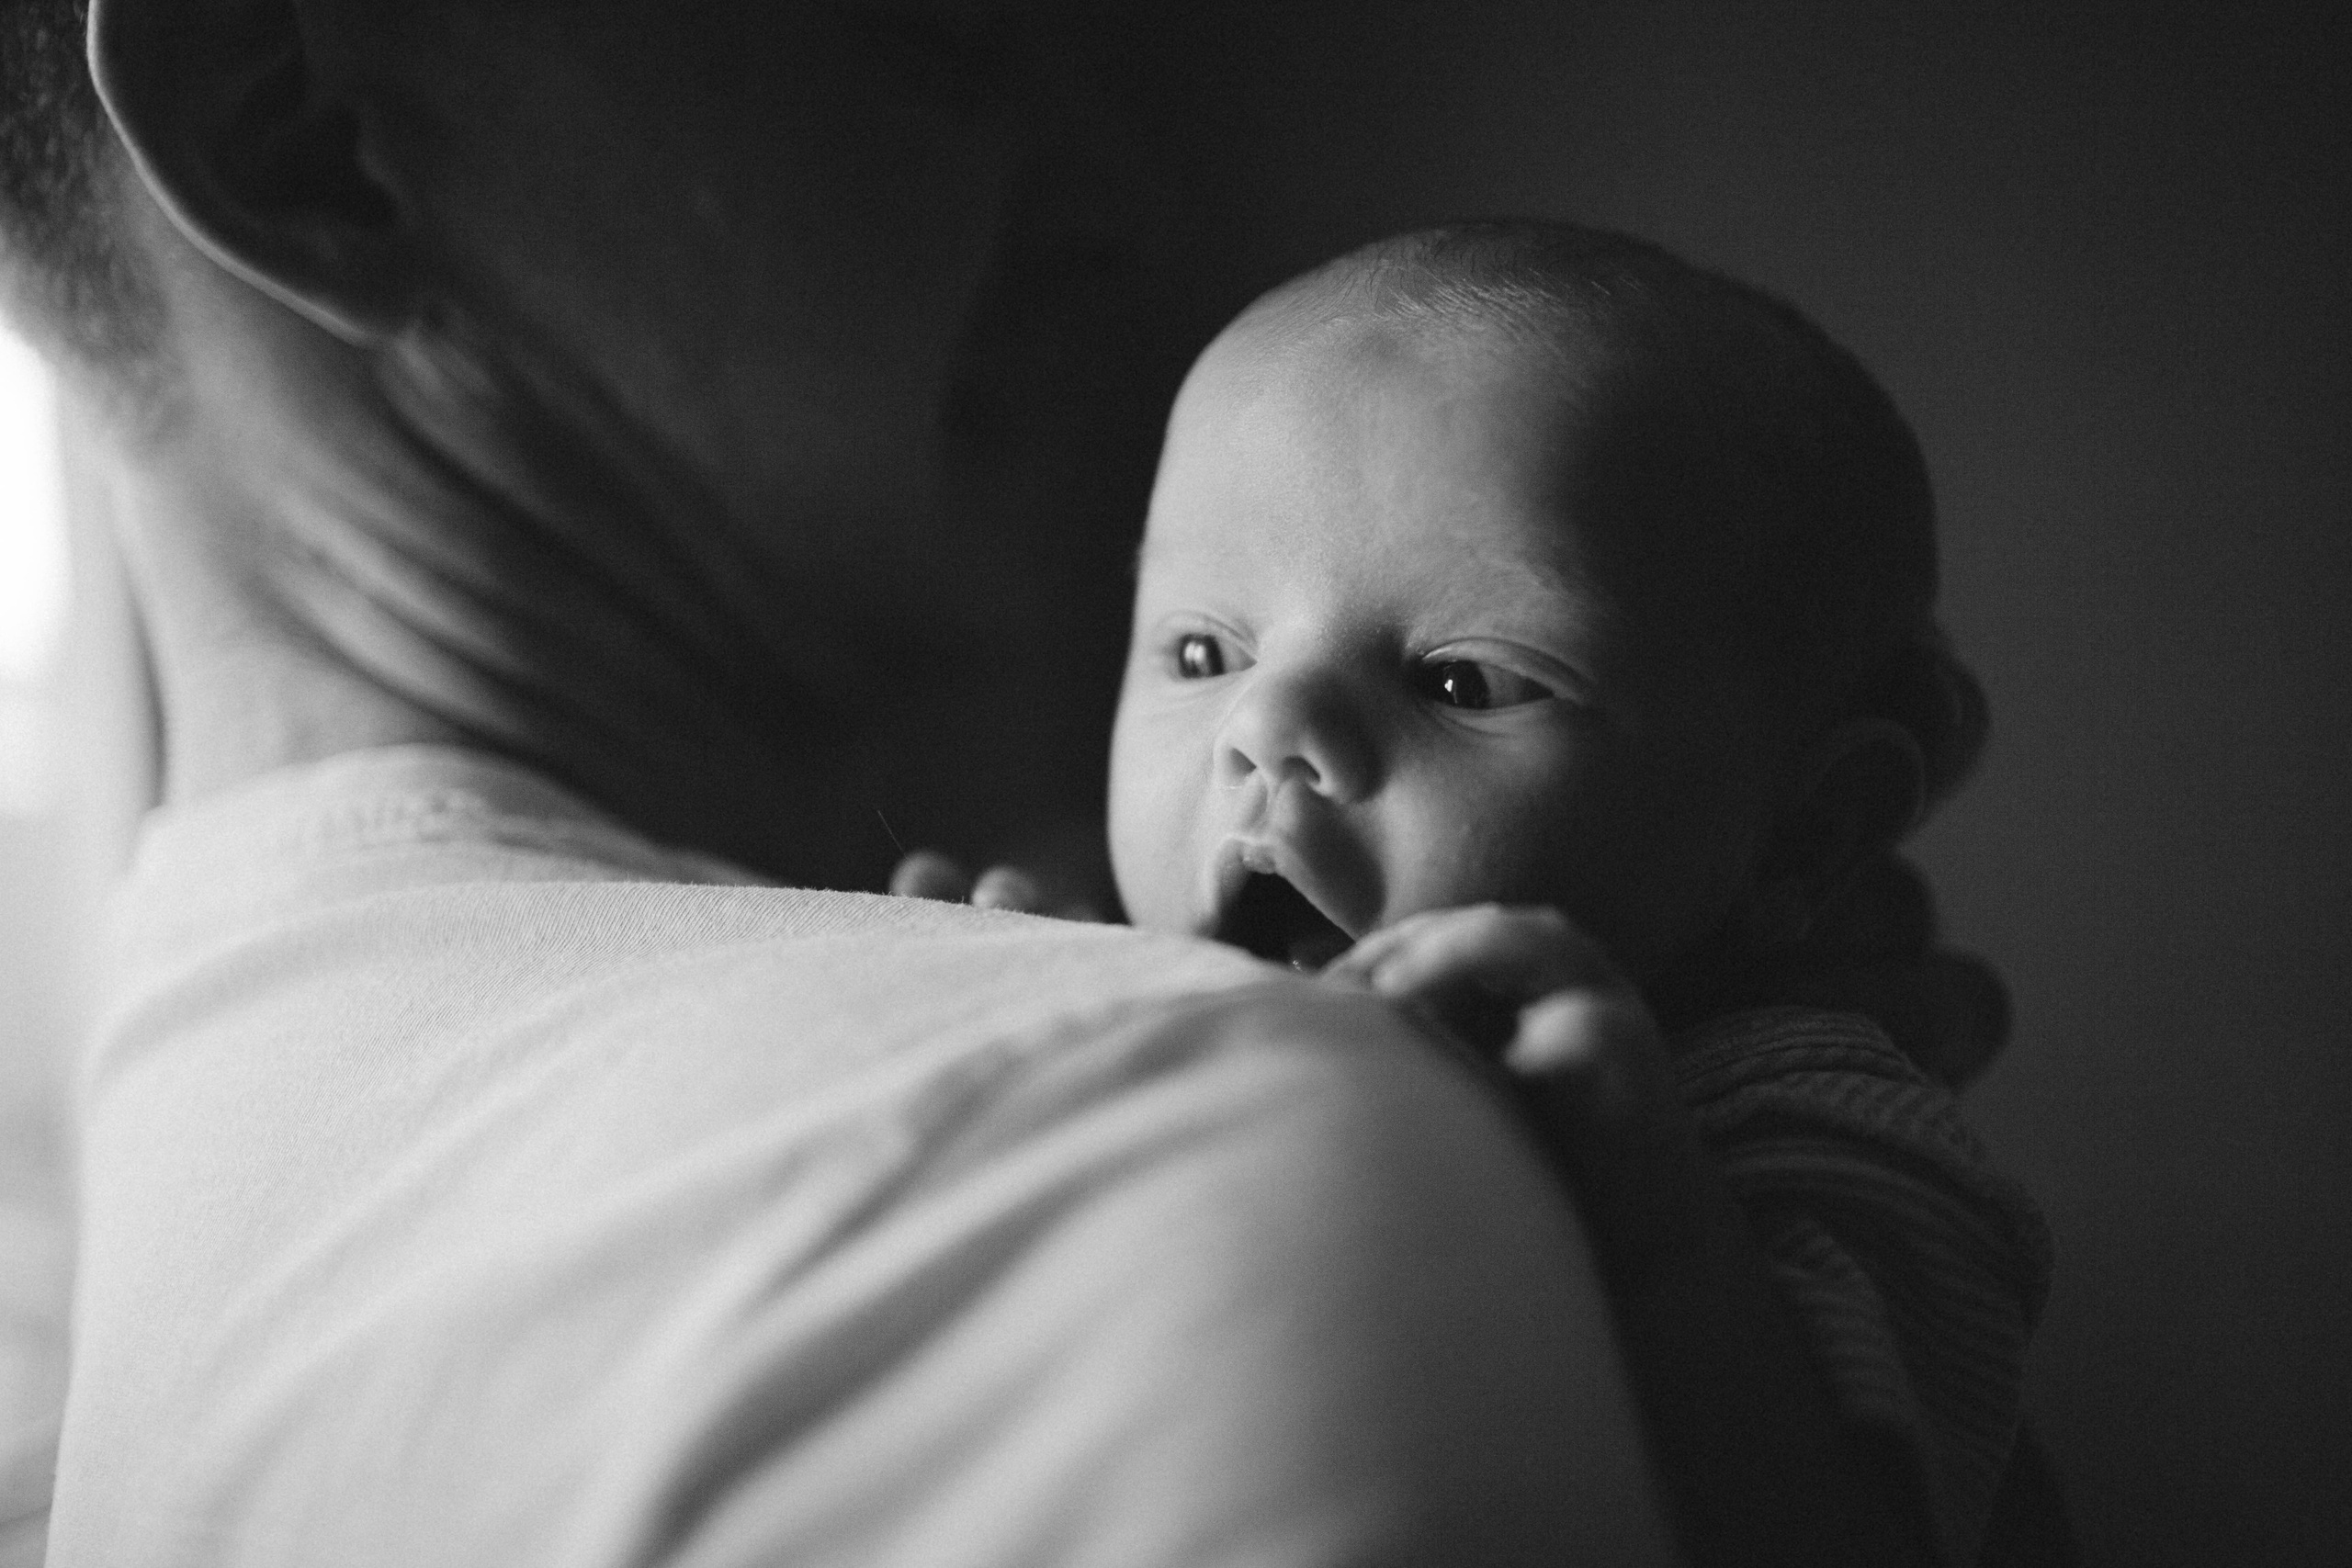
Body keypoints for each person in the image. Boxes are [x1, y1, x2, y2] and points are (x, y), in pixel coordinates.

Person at [1, 2, 1680, 1563]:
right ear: (303, 132)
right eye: (932, 32)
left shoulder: (205, 1193)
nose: (1125, 197)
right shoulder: (1135, 1155)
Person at [905, 224, 2054, 1567]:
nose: (1267, 728)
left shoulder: (1812, 1119)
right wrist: (982, 994)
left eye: (1463, 681)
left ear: (1801, 838)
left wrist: (1648, 1201)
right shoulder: (1157, 963)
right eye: (1205, 649)